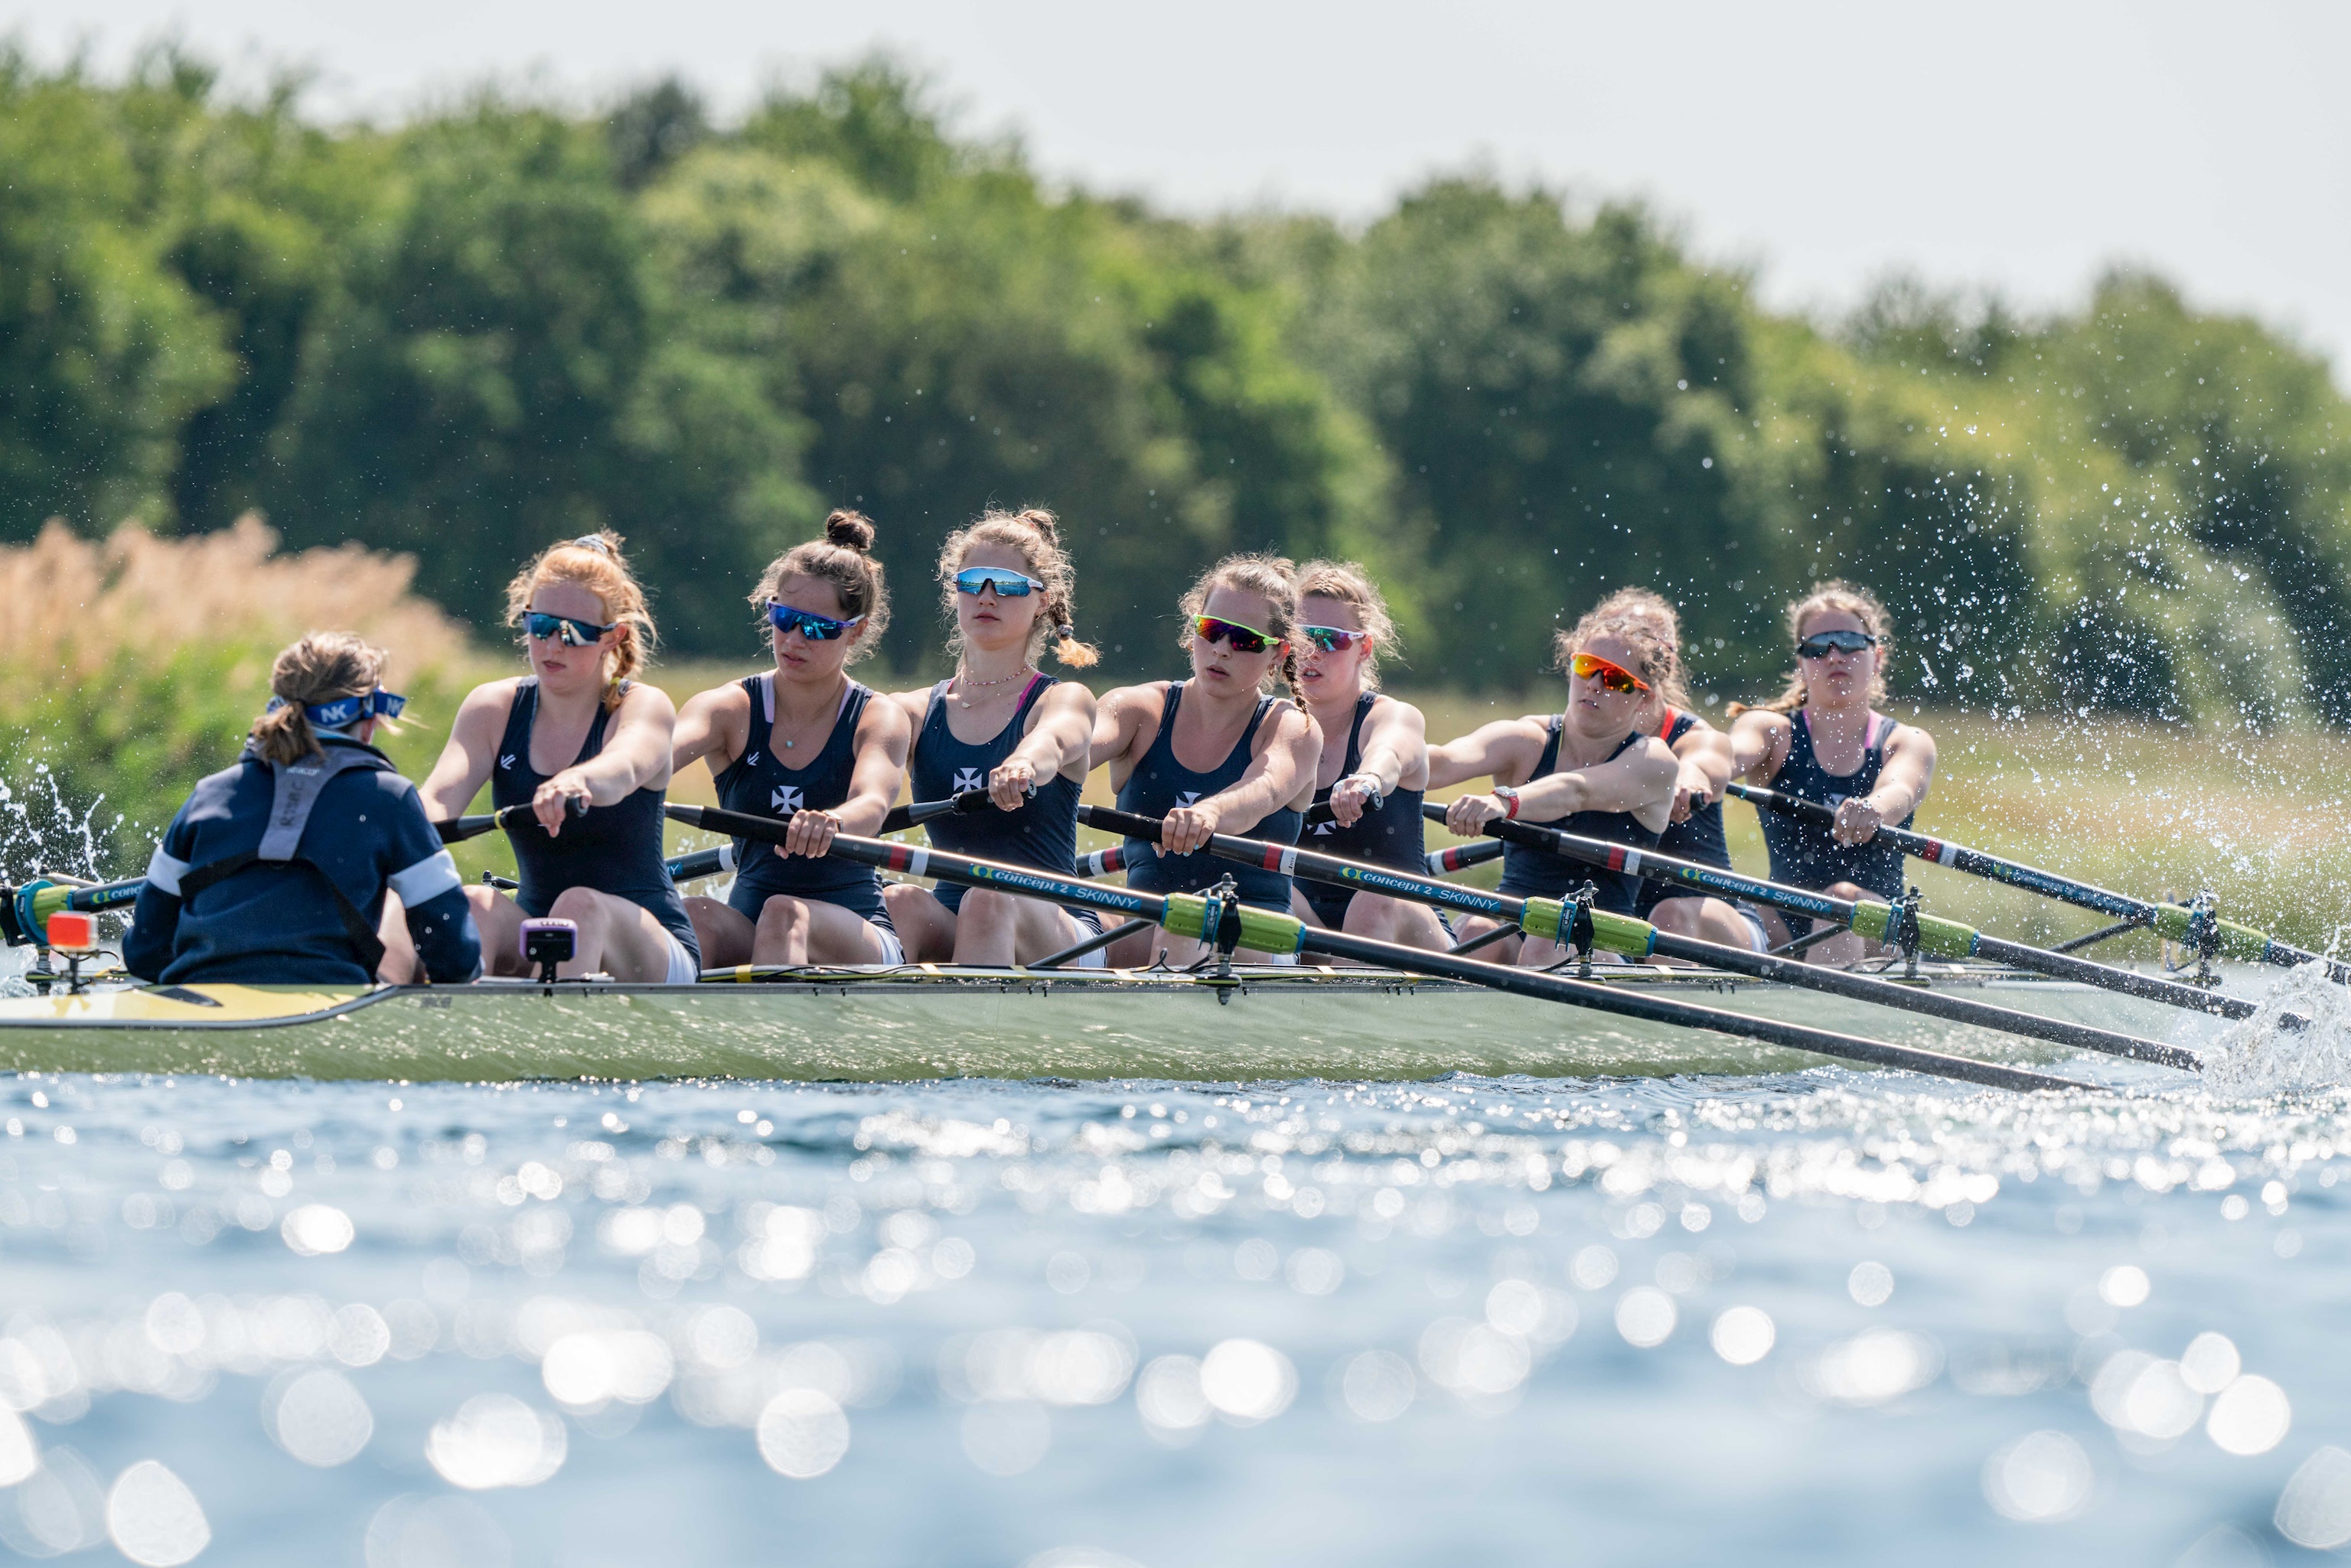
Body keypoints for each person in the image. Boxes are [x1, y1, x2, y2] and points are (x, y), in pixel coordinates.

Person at [418, 532, 700, 982]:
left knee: (577, 907)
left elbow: (624, 766)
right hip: (541, 928)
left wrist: (579, 782)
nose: (553, 645)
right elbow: (436, 803)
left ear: (613, 637)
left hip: (652, 945)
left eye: (575, 633)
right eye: (541, 626)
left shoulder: (642, 706)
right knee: (474, 904)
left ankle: (553, 1043)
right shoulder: (492, 708)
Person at [127, 633, 481, 986]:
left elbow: (145, 950)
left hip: (198, 1003)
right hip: (327, 1009)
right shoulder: (390, 798)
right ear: (370, 721)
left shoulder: (211, 793)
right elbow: (456, 955)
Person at [672, 512, 911, 967]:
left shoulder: (878, 716)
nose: (795, 639)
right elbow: (654, 757)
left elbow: (872, 804)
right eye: (784, 617)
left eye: (818, 628)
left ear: (855, 629)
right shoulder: (729, 708)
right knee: (693, 916)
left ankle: (769, 1037)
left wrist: (833, 823)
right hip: (753, 919)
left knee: (783, 914)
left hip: (858, 931)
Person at [883, 508, 1102, 965]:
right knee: (898, 900)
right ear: (955, 592)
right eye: (973, 582)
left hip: (1061, 927)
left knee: (987, 898)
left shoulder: (1064, 699)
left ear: (1042, 599)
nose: (987, 596)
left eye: (1007, 585)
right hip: (954, 914)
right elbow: (860, 765)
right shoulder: (910, 710)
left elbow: (1054, 742)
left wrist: (1024, 765)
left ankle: (973, 1036)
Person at [1091, 553, 1319, 967]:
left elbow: (1264, 789)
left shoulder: (1292, 727)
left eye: (1245, 640)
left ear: (1277, 653)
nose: (1222, 649)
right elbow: (1072, 749)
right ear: (1193, 628)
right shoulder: (1138, 708)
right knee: (1046, 922)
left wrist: (1209, 813)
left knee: (1184, 928)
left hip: (1252, 934)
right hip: (1144, 923)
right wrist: (1031, 765)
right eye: (1211, 630)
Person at [1429, 599, 1679, 966]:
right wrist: (1372, 772)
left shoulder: (1653, 762)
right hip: (1512, 921)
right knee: (1475, 933)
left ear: (1645, 699)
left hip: (1603, 938)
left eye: (1614, 679)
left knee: (1551, 941)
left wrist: (1504, 802)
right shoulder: (1527, 740)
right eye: (1587, 666)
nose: (1594, 684)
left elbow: (1577, 791)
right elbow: (1443, 761)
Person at [1729, 579, 1937, 967]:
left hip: (1875, 918)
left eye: (1849, 642)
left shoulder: (1907, 741)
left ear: (1877, 657)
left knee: (1840, 901)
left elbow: (1900, 790)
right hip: (1784, 917)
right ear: (1802, 662)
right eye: (1818, 647)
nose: (1835, 655)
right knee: (1715, 909)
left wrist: (1871, 809)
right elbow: (1729, 755)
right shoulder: (1772, 731)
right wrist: (1699, 772)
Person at [1289, 560, 1449, 952]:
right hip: (1313, 934)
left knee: (1371, 901)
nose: (1311, 653)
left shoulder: (1393, 716)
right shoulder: (1271, 729)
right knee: (1263, 896)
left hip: (1405, 925)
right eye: (1299, 638)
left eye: (1329, 640)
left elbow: (1390, 752)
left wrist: (1368, 779)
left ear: (1364, 648)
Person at [1602, 588, 1771, 956]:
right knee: (1479, 929)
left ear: (1668, 661)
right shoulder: (1579, 739)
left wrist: (1684, 782)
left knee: (1667, 919)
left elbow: (1699, 765)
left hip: (1711, 918)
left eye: (1650, 644)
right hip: (1621, 924)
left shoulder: (1698, 737)